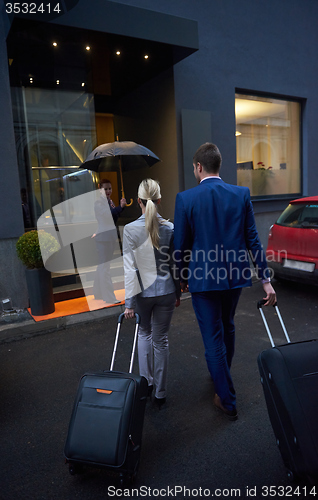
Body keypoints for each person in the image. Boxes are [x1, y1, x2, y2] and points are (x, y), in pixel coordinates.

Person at [173, 142, 276, 420]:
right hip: (234, 277)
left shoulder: (186, 199)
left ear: (198, 167)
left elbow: (180, 246)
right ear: (219, 165)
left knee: (213, 338)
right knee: (227, 327)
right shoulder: (241, 194)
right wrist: (265, 279)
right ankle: (221, 377)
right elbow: (253, 239)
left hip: (203, 280)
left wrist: (179, 281)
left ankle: (227, 400)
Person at [123, 179, 181, 408]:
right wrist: (178, 291)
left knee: (144, 335)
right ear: (159, 200)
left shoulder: (129, 230)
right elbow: (175, 263)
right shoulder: (170, 227)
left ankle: (145, 384)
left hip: (143, 294)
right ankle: (161, 393)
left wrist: (129, 303)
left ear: (138, 201)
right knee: (161, 340)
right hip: (166, 290)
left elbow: (130, 268)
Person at [93, 179, 126, 303]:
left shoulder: (110, 201)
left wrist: (120, 208)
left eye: (109, 188)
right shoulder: (99, 203)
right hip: (103, 238)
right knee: (104, 268)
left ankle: (98, 293)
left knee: (102, 266)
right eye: (105, 189)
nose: (108, 191)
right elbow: (108, 216)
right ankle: (109, 297)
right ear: (100, 189)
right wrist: (120, 207)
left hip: (108, 237)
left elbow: (114, 217)